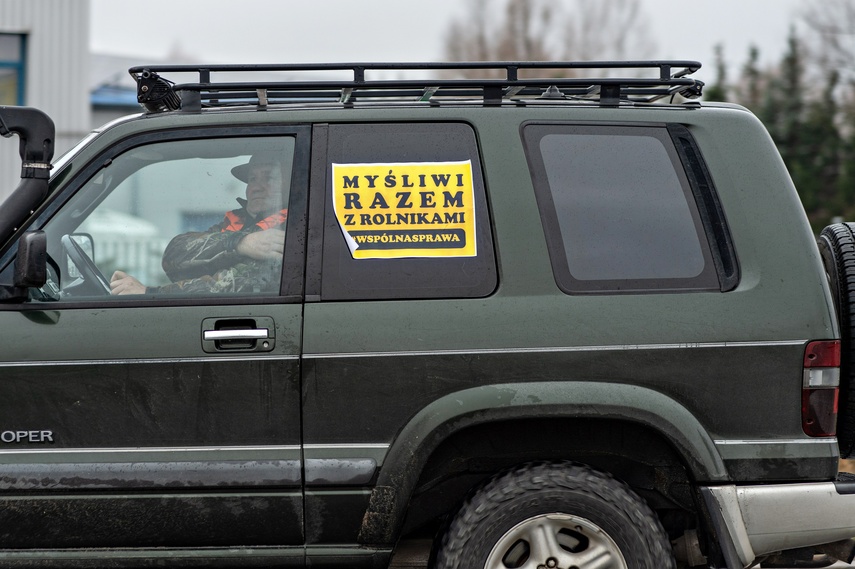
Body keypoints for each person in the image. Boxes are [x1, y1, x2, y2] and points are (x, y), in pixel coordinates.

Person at [110, 151, 288, 295]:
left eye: (269, 178)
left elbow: (232, 285)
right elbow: (174, 255)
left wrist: (148, 294)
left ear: (290, 183)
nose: (257, 187)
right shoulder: (238, 224)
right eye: (252, 179)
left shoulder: (292, 230)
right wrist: (240, 243)